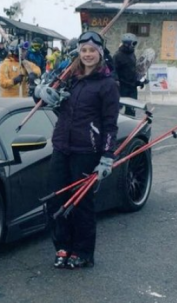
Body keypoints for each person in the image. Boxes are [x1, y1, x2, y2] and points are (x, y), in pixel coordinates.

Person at [41, 30, 119, 270]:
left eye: (92, 51)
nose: (87, 55)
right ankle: (62, 247)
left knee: (81, 204)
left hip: (87, 151)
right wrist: (49, 97)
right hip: (61, 146)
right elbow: (60, 110)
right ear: (79, 53)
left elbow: (109, 125)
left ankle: (83, 252)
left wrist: (107, 156)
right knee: (56, 200)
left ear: (100, 54)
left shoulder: (107, 85)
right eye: (84, 50)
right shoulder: (70, 79)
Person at [114, 33, 142, 116]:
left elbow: (132, 71)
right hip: (122, 87)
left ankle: (130, 127)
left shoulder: (132, 54)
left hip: (132, 87)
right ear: (127, 43)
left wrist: (138, 82)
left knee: (131, 110)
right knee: (117, 109)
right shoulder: (118, 55)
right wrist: (116, 80)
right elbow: (113, 70)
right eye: (133, 43)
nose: (134, 46)